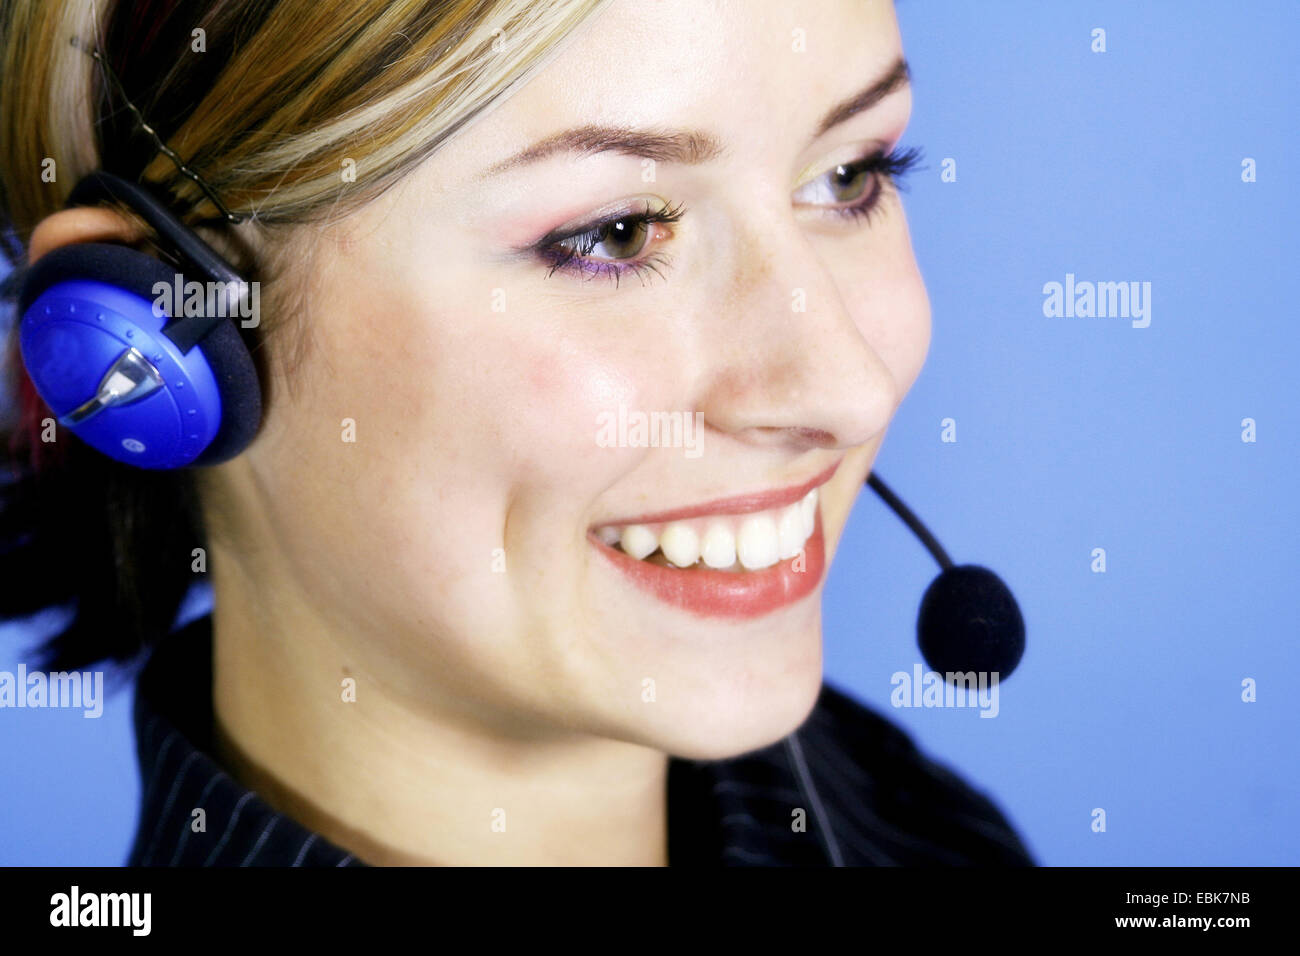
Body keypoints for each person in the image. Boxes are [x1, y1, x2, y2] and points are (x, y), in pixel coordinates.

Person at [0, 0, 1035, 866]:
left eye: (850, 176)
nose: (845, 387)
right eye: (615, 235)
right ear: (136, 334)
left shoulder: (920, 825)